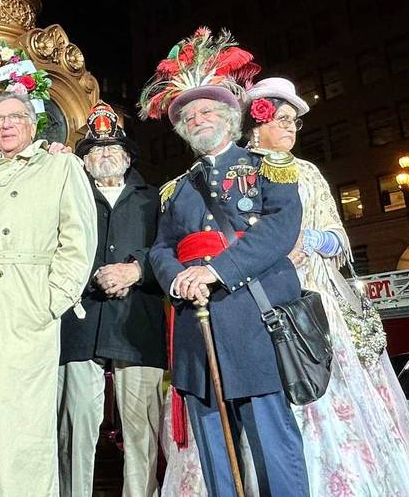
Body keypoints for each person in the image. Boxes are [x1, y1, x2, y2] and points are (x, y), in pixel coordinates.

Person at [243, 77, 409, 496]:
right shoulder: (239, 170)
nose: (292, 129)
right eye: (282, 120)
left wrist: (316, 240)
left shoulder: (307, 171)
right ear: (256, 124)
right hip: (260, 297)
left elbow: (337, 234)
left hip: (318, 298)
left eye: (294, 122)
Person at [140, 28, 308, 496]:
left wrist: (216, 271)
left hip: (256, 320)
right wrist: (179, 280)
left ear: (231, 118)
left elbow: (280, 228)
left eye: (208, 110)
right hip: (198, 328)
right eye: (189, 116)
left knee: (274, 446)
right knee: (216, 450)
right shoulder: (175, 189)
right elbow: (160, 249)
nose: (198, 119)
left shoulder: (266, 166)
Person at [0, 91, 97, 496]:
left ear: (32, 124)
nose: (6, 125)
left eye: (15, 117)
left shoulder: (59, 166)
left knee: (22, 425)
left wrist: (51, 301)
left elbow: (79, 239)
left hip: (25, 304)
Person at [58, 102, 165, 497]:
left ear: (127, 156)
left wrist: (135, 269)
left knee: (141, 429)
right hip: (80, 323)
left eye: (111, 148)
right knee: (77, 427)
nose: (103, 155)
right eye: (93, 150)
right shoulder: (66, 197)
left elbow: (169, 251)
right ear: (83, 160)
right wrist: (92, 278)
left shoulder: (155, 199)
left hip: (137, 324)